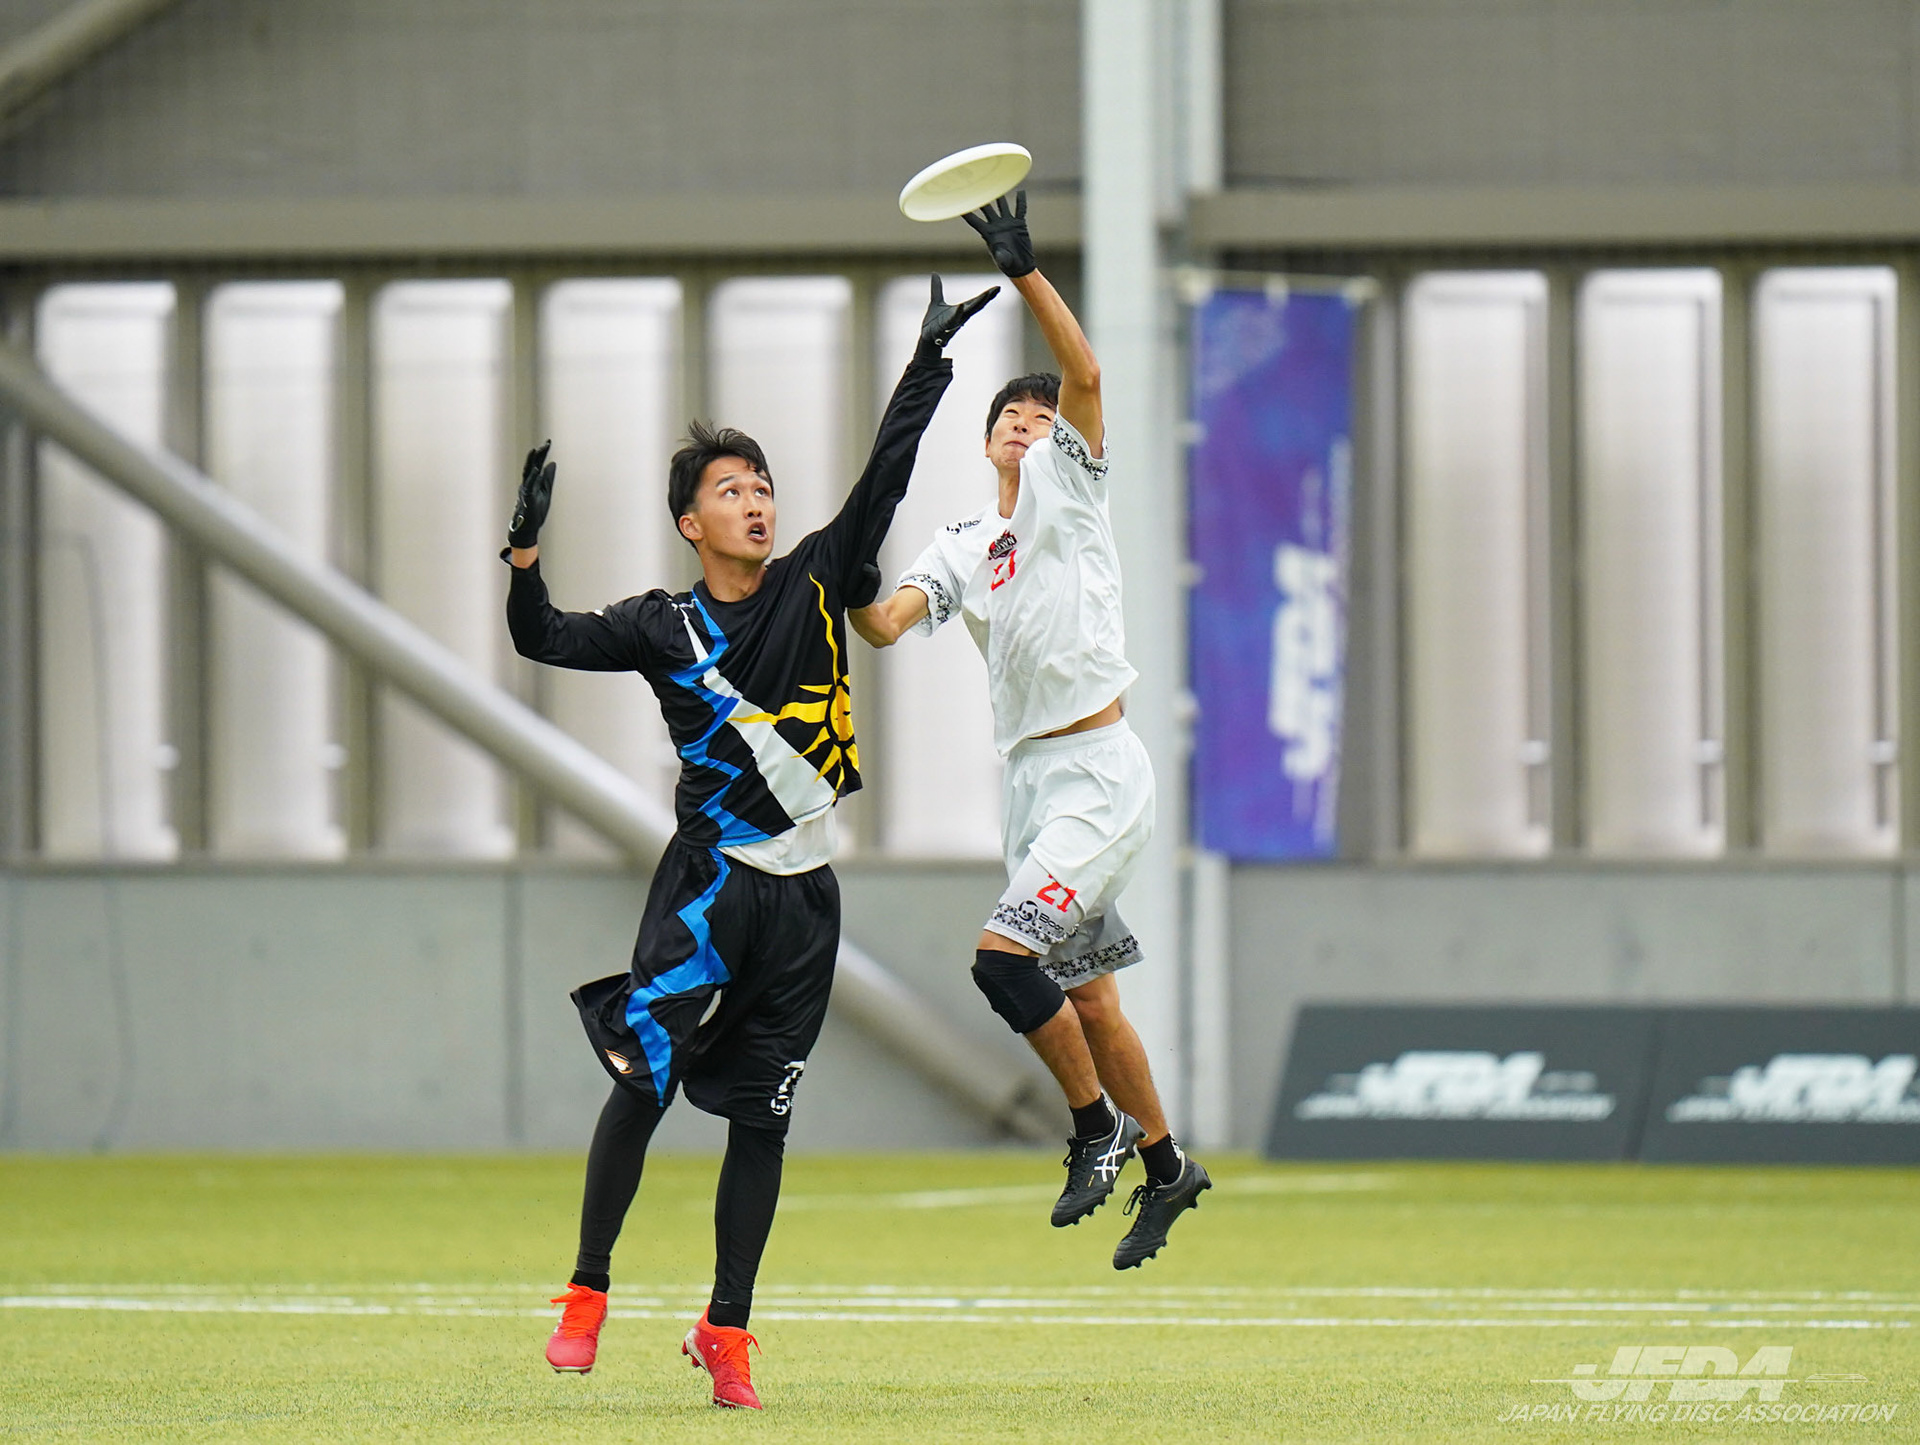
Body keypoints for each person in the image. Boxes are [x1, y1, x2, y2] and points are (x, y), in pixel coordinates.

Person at [506, 276, 995, 1408]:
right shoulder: (659, 622)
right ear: (693, 522)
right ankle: (586, 1291)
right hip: (708, 890)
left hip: (806, 901)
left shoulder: (816, 578)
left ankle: (726, 1327)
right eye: (732, 490)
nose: (757, 503)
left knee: (765, 1118)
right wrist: (523, 552)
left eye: (764, 487)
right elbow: (541, 639)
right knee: (646, 1077)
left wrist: (928, 360)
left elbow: (886, 476)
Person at [850, 192, 1209, 1271]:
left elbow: (1085, 374)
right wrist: (848, 570)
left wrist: (1025, 275)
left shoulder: (1072, 487)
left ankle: (1094, 1127)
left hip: (1098, 774)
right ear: (986, 436)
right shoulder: (963, 541)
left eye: (1041, 413)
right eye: (1010, 411)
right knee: (1088, 994)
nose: (1027, 418)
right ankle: (1167, 1163)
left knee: (1002, 960)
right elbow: (883, 624)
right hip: (1030, 787)